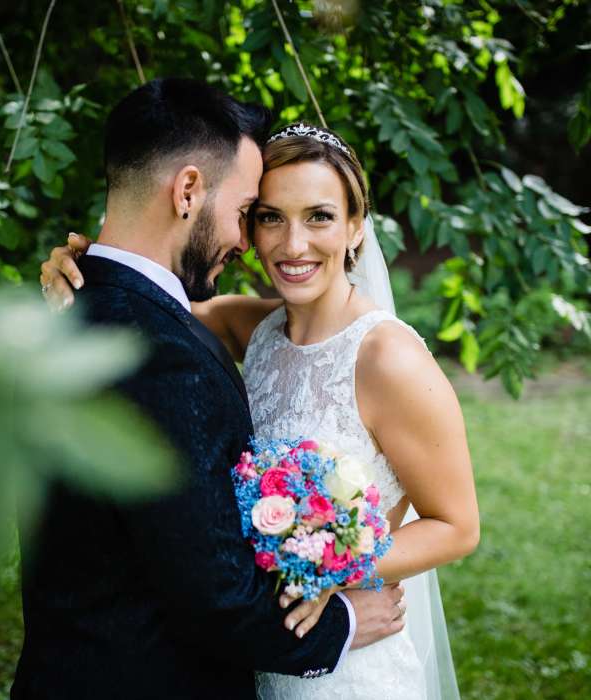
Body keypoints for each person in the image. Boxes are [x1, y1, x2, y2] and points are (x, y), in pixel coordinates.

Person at [41, 120, 480, 699]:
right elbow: (143, 304)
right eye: (271, 217)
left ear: (355, 227)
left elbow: (457, 527)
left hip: (350, 657)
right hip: (265, 655)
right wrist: (81, 269)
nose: (292, 245)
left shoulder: (388, 358)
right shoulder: (255, 327)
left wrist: (328, 566)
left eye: (319, 216)